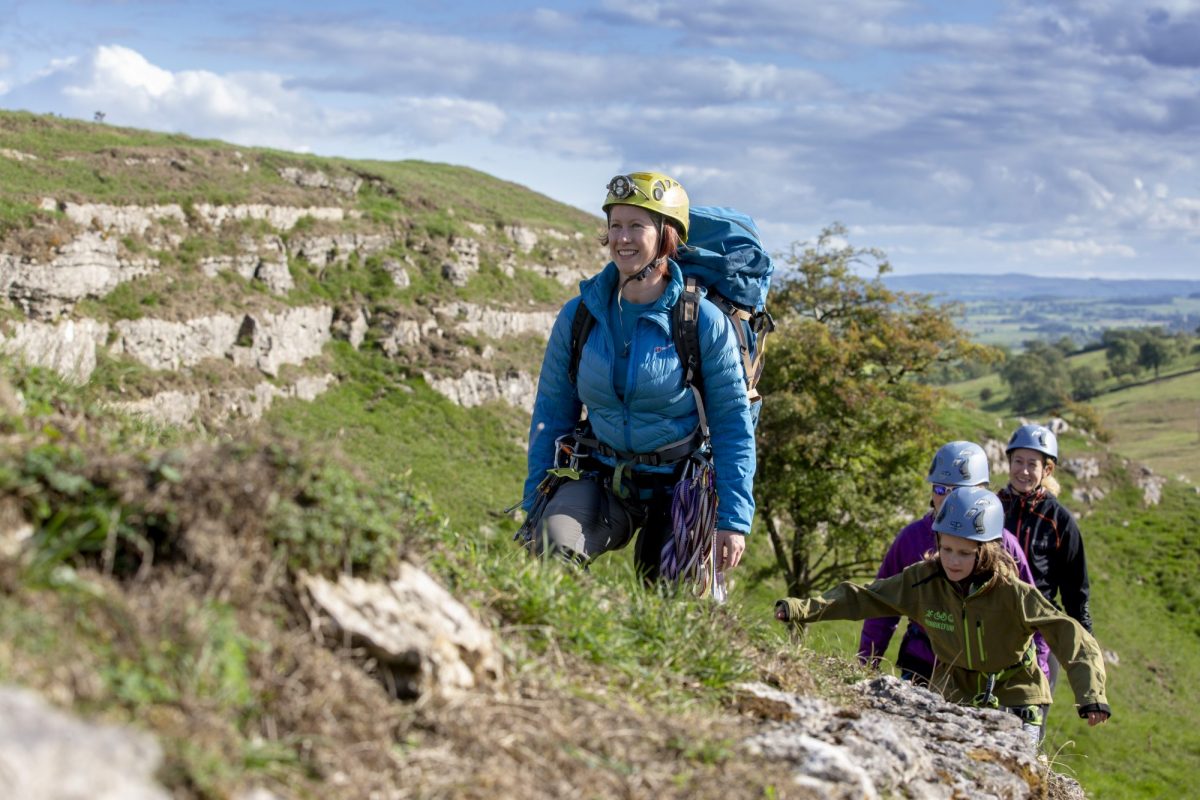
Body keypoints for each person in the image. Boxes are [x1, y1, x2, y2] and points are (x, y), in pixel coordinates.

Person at [519, 171, 755, 583]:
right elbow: (551, 413)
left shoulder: (702, 323)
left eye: (636, 226)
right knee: (552, 547)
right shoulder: (580, 315)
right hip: (605, 477)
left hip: (681, 490)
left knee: (666, 597)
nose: (622, 238)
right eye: (615, 225)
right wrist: (533, 503)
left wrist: (733, 520)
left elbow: (733, 424)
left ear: (666, 236)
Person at [777, 487, 1111, 742]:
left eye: (964, 553)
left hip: (1016, 693)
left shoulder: (1013, 593)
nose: (952, 561)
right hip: (952, 691)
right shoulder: (923, 580)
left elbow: (1071, 636)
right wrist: (802, 609)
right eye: (946, 548)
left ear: (987, 550)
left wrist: (1091, 696)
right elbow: (863, 597)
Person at [858, 441, 1050, 685]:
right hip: (923, 665)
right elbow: (880, 606)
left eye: (958, 490)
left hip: (986, 674)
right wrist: (865, 664)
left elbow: (1035, 616)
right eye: (940, 489)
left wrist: (1037, 679)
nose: (947, 499)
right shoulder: (911, 539)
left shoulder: (1003, 544)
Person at [998, 424, 1092, 693]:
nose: (1023, 471)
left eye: (1032, 464)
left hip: (1039, 636)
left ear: (1046, 470)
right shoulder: (991, 508)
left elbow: (1076, 596)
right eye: (1018, 461)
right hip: (991, 630)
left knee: (1030, 725)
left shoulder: (1059, 522)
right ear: (1009, 462)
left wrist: (1087, 661)